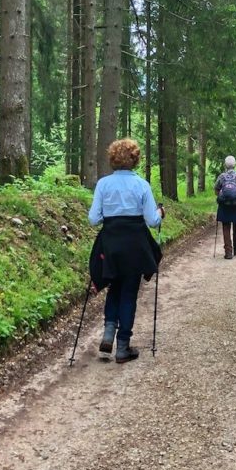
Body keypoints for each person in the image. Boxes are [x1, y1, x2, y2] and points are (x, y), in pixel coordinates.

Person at [88, 139, 165, 364]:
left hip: (110, 244)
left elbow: (93, 219)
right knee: (129, 292)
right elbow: (152, 220)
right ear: (134, 159)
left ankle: (108, 331)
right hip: (135, 245)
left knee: (114, 287)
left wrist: (111, 216)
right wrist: (160, 212)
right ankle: (123, 347)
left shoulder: (103, 184)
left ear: (112, 158)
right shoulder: (141, 185)